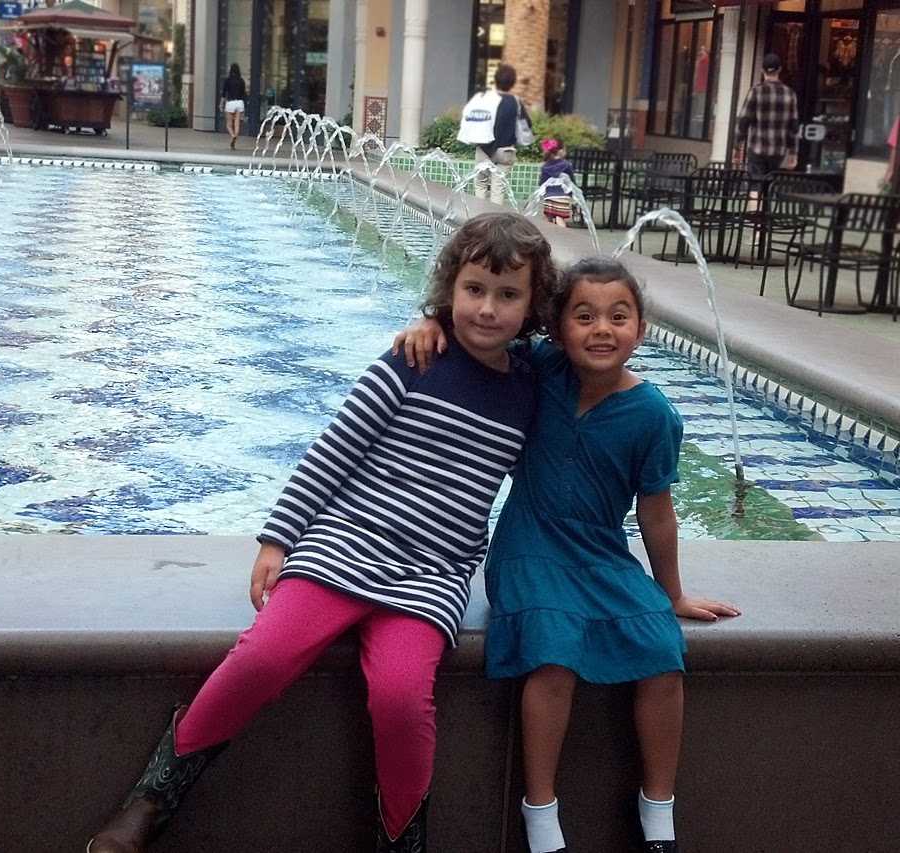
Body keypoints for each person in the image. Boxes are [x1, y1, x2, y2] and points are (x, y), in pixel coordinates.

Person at [85, 212, 560, 853]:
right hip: (345, 544)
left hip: (432, 575)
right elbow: (333, 451)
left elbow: (585, 355)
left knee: (400, 698)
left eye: (508, 295)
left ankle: (402, 839)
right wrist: (278, 539)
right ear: (450, 287)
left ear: (532, 306)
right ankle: (153, 797)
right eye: (474, 289)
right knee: (263, 657)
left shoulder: (532, 389)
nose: (487, 309)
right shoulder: (413, 360)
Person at [394, 256, 740, 853]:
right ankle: (540, 812)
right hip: (528, 547)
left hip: (602, 552)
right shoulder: (540, 368)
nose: (601, 329)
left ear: (641, 329)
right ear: (556, 328)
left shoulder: (654, 415)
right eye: (584, 316)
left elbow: (657, 513)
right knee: (554, 656)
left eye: (618, 316)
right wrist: (432, 323)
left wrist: (673, 593)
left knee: (663, 654)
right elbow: (485, 332)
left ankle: (658, 811)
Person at [734, 53, 798, 179]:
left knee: (755, 184)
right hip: (779, 151)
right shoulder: (790, 94)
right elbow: (794, 126)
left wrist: (736, 146)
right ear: (779, 69)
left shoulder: (756, 91)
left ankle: (755, 193)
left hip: (757, 148)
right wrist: (793, 153)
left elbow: (744, 121)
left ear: (762, 70)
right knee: (771, 184)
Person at [475, 63, 530, 202]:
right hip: (506, 151)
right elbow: (526, 124)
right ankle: (495, 214)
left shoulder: (486, 99)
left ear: (496, 80)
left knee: (481, 183)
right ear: (512, 83)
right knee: (498, 188)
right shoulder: (515, 102)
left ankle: (479, 213)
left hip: (485, 149)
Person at [538, 139, 574, 227]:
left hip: (549, 196)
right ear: (561, 151)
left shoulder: (545, 166)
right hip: (563, 196)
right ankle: (563, 234)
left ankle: (546, 233)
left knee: (548, 217)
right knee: (559, 218)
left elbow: (541, 182)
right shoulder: (566, 165)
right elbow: (572, 181)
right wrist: (572, 193)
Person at [220, 63, 247, 149]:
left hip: (230, 102)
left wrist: (221, 104)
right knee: (237, 123)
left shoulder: (227, 81)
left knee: (229, 124)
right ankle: (235, 136)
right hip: (240, 102)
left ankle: (233, 136)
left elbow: (224, 94)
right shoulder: (241, 81)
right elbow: (244, 94)